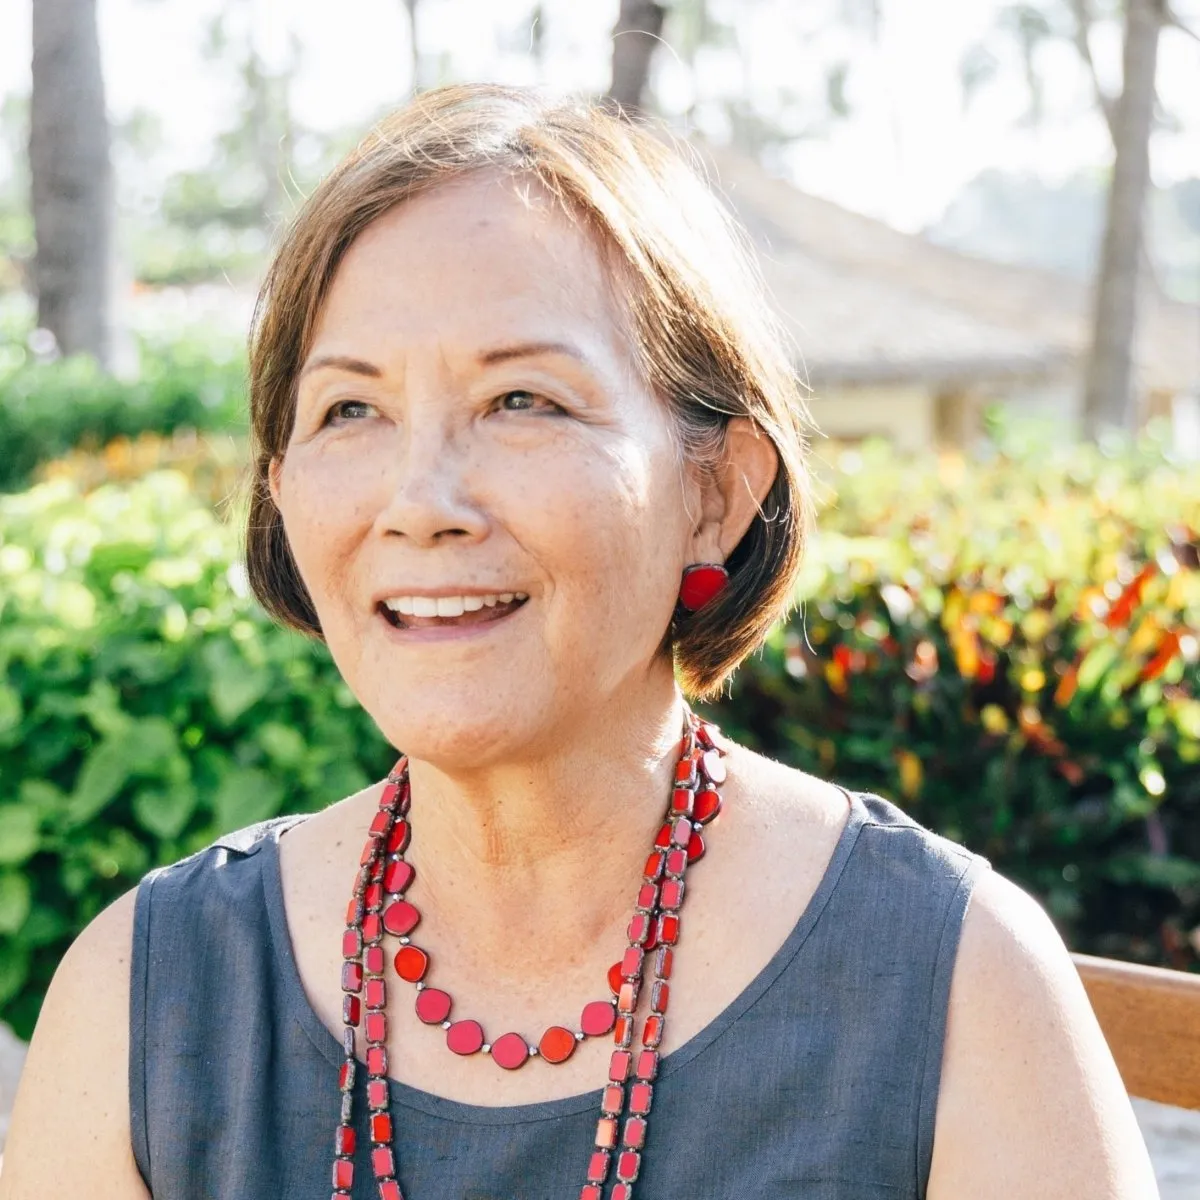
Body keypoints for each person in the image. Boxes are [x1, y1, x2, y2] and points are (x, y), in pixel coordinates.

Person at [2, 83, 1159, 1200]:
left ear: (719, 490)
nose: (422, 500)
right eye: (350, 409)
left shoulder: (955, 984)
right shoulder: (149, 999)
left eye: (524, 402)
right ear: (281, 488)